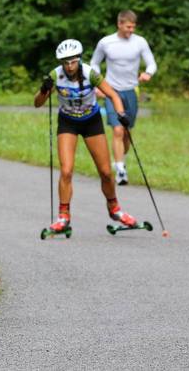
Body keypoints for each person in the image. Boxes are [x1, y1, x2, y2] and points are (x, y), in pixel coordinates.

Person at [35, 39, 138, 235]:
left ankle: (115, 210)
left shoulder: (90, 73)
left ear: (79, 60)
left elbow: (113, 95)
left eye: (73, 61)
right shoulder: (55, 76)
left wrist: (121, 113)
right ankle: (63, 216)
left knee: (106, 172)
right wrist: (43, 89)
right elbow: (37, 103)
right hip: (68, 122)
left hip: (92, 122)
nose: (69, 66)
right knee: (66, 171)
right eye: (65, 62)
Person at [90, 10, 157, 185]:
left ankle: (121, 159)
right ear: (119, 24)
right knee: (117, 130)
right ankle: (120, 170)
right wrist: (99, 83)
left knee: (126, 132)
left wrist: (148, 73)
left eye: (133, 27)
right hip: (112, 91)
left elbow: (151, 62)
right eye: (128, 27)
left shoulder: (139, 42)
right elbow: (94, 63)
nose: (131, 30)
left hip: (131, 90)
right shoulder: (106, 42)